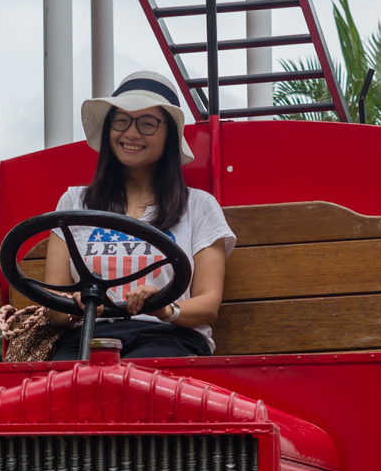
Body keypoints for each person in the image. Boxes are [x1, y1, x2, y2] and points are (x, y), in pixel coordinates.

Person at [12, 70, 234, 361]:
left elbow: (208, 304)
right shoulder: (73, 202)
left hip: (169, 339)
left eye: (147, 123)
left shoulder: (199, 206)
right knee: (64, 388)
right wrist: (76, 303)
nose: (131, 133)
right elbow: (57, 308)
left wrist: (166, 309)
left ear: (169, 135)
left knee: (146, 383)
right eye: (121, 120)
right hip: (88, 339)